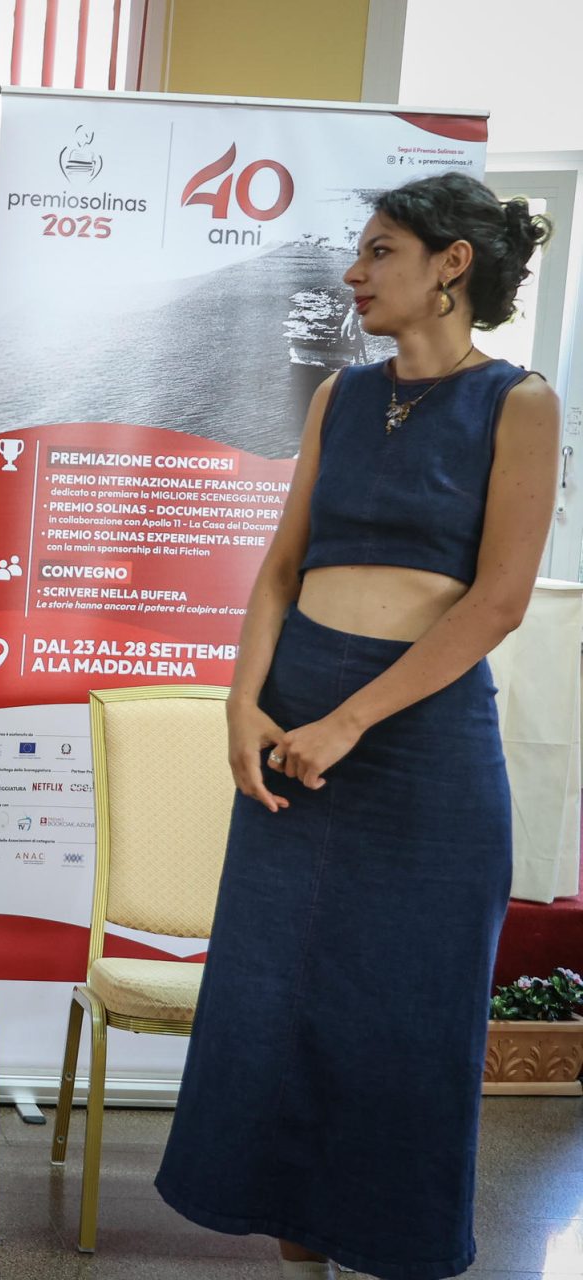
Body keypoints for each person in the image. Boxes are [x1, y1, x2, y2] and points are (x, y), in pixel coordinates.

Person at [155, 172, 559, 1280]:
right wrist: (243, 701)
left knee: (405, 1013)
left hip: (421, 745)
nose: (353, 272)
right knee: (281, 1001)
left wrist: (348, 720)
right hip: (295, 723)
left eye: (380, 251)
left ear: (451, 265)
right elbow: (282, 564)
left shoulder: (519, 402)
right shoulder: (341, 394)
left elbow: (498, 601)